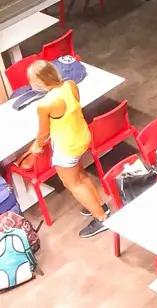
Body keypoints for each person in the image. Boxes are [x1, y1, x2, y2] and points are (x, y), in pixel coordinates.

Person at [26, 59, 109, 238]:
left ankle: (101, 218)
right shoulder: (71, 85)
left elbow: (43, 133)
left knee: (72, 183)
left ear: (39, 82)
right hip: (82, 136)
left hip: (67, 147)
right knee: (80, 176)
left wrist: (36, 147)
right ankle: (100, 206)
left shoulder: (45, 104)